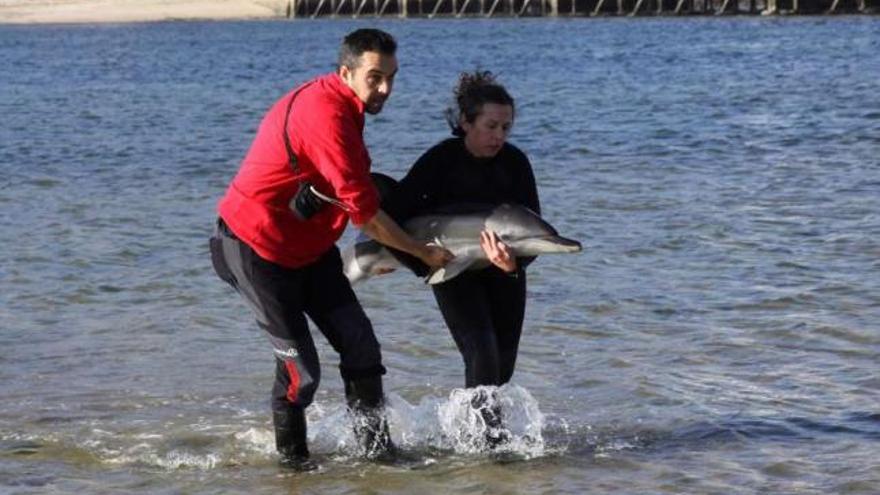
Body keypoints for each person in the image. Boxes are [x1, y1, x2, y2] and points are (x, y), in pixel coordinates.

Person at [209, 28, 453, 469]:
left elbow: (353, 197)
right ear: (346, 72)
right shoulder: (328, 118)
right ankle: (294, 470)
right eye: (375, 77)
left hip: (309, 251)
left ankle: (379, 459)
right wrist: (419, 252)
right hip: (253, 249)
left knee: (361, 346)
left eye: (392, 77)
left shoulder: (346, 104)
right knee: (302, 375)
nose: (385, 89)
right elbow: (369, 219)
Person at [383, 71, 540, 448]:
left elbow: (533, 227)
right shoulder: (440, 161)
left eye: (506, 127)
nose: (499, 136)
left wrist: (514, 264)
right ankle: (489, 445)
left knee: (502, 365)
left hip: (504, 271)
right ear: (465, 122)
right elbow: (392, 213)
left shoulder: (515, 163)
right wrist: (417, 260)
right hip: (453, 269)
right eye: (490, 126)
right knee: (481, 351)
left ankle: (467, 436)